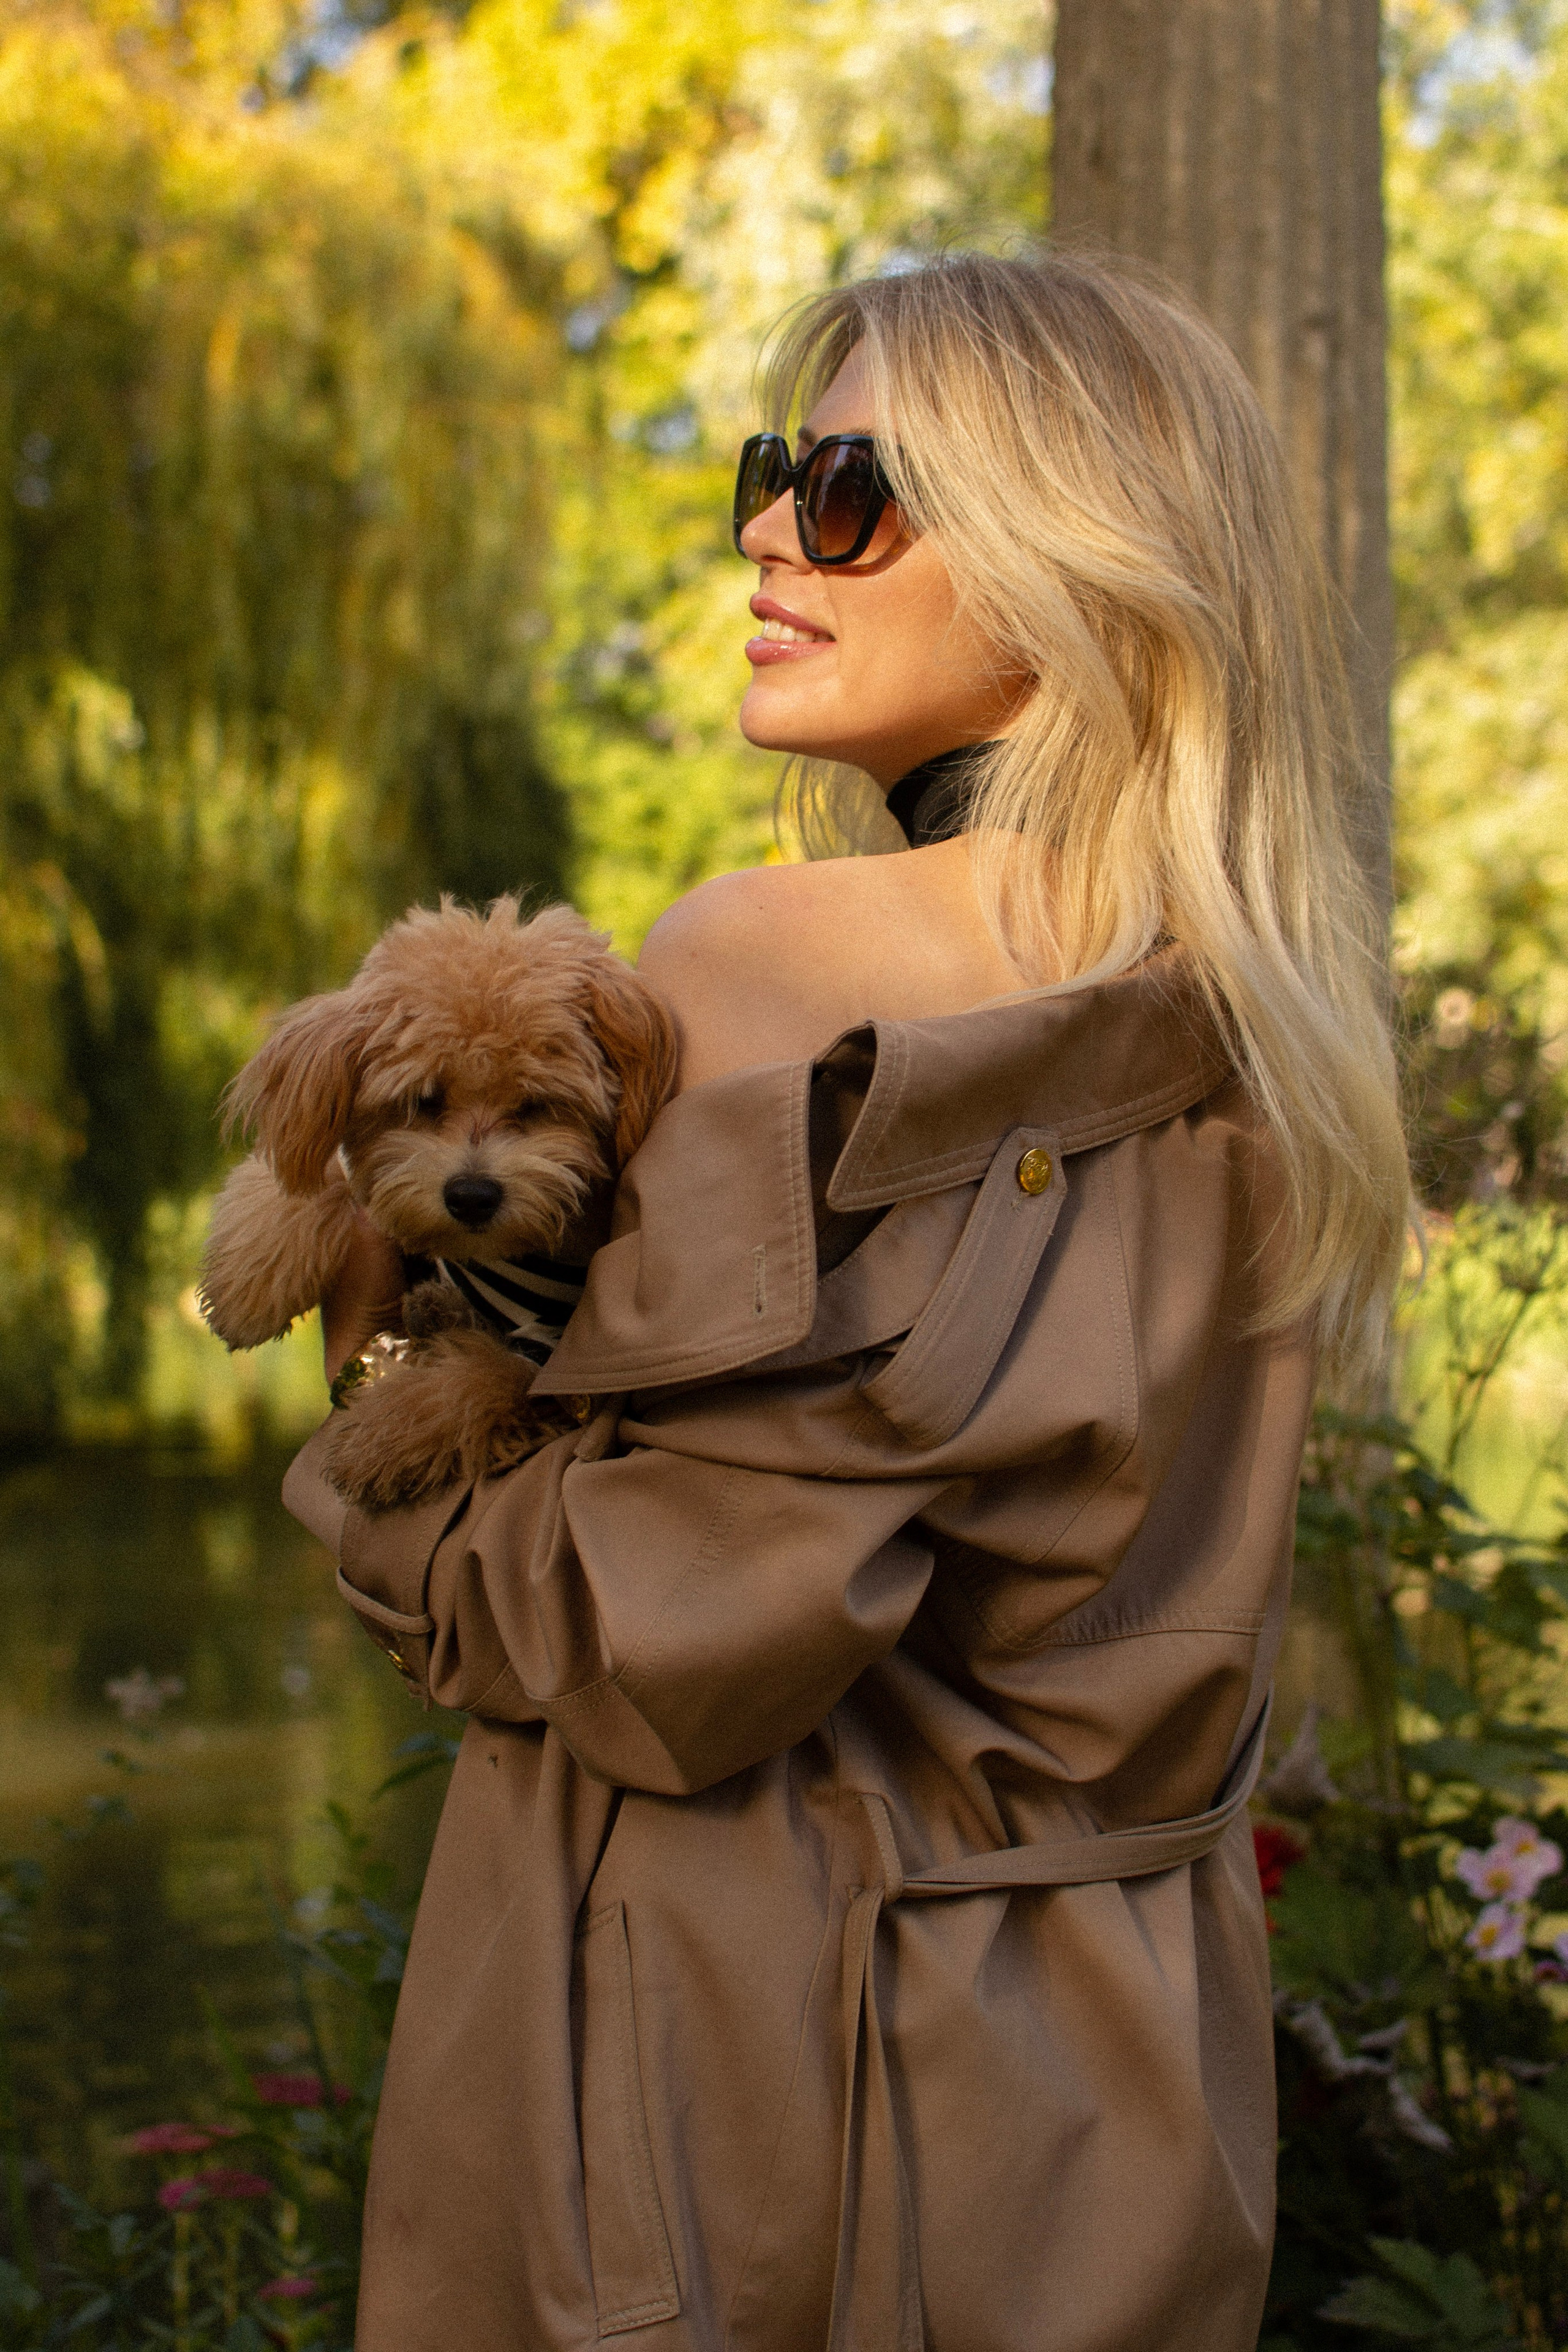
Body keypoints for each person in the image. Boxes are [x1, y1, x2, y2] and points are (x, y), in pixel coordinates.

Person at [282, 251, 1409, 2352]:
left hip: (739, 2082)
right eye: (772, 473)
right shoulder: (1261, 1025)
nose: (770, 537)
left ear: (1072, 564)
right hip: (1115, 2080)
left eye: (852, 491)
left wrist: (367, 1463)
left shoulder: (767, 962)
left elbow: (635, 1636)